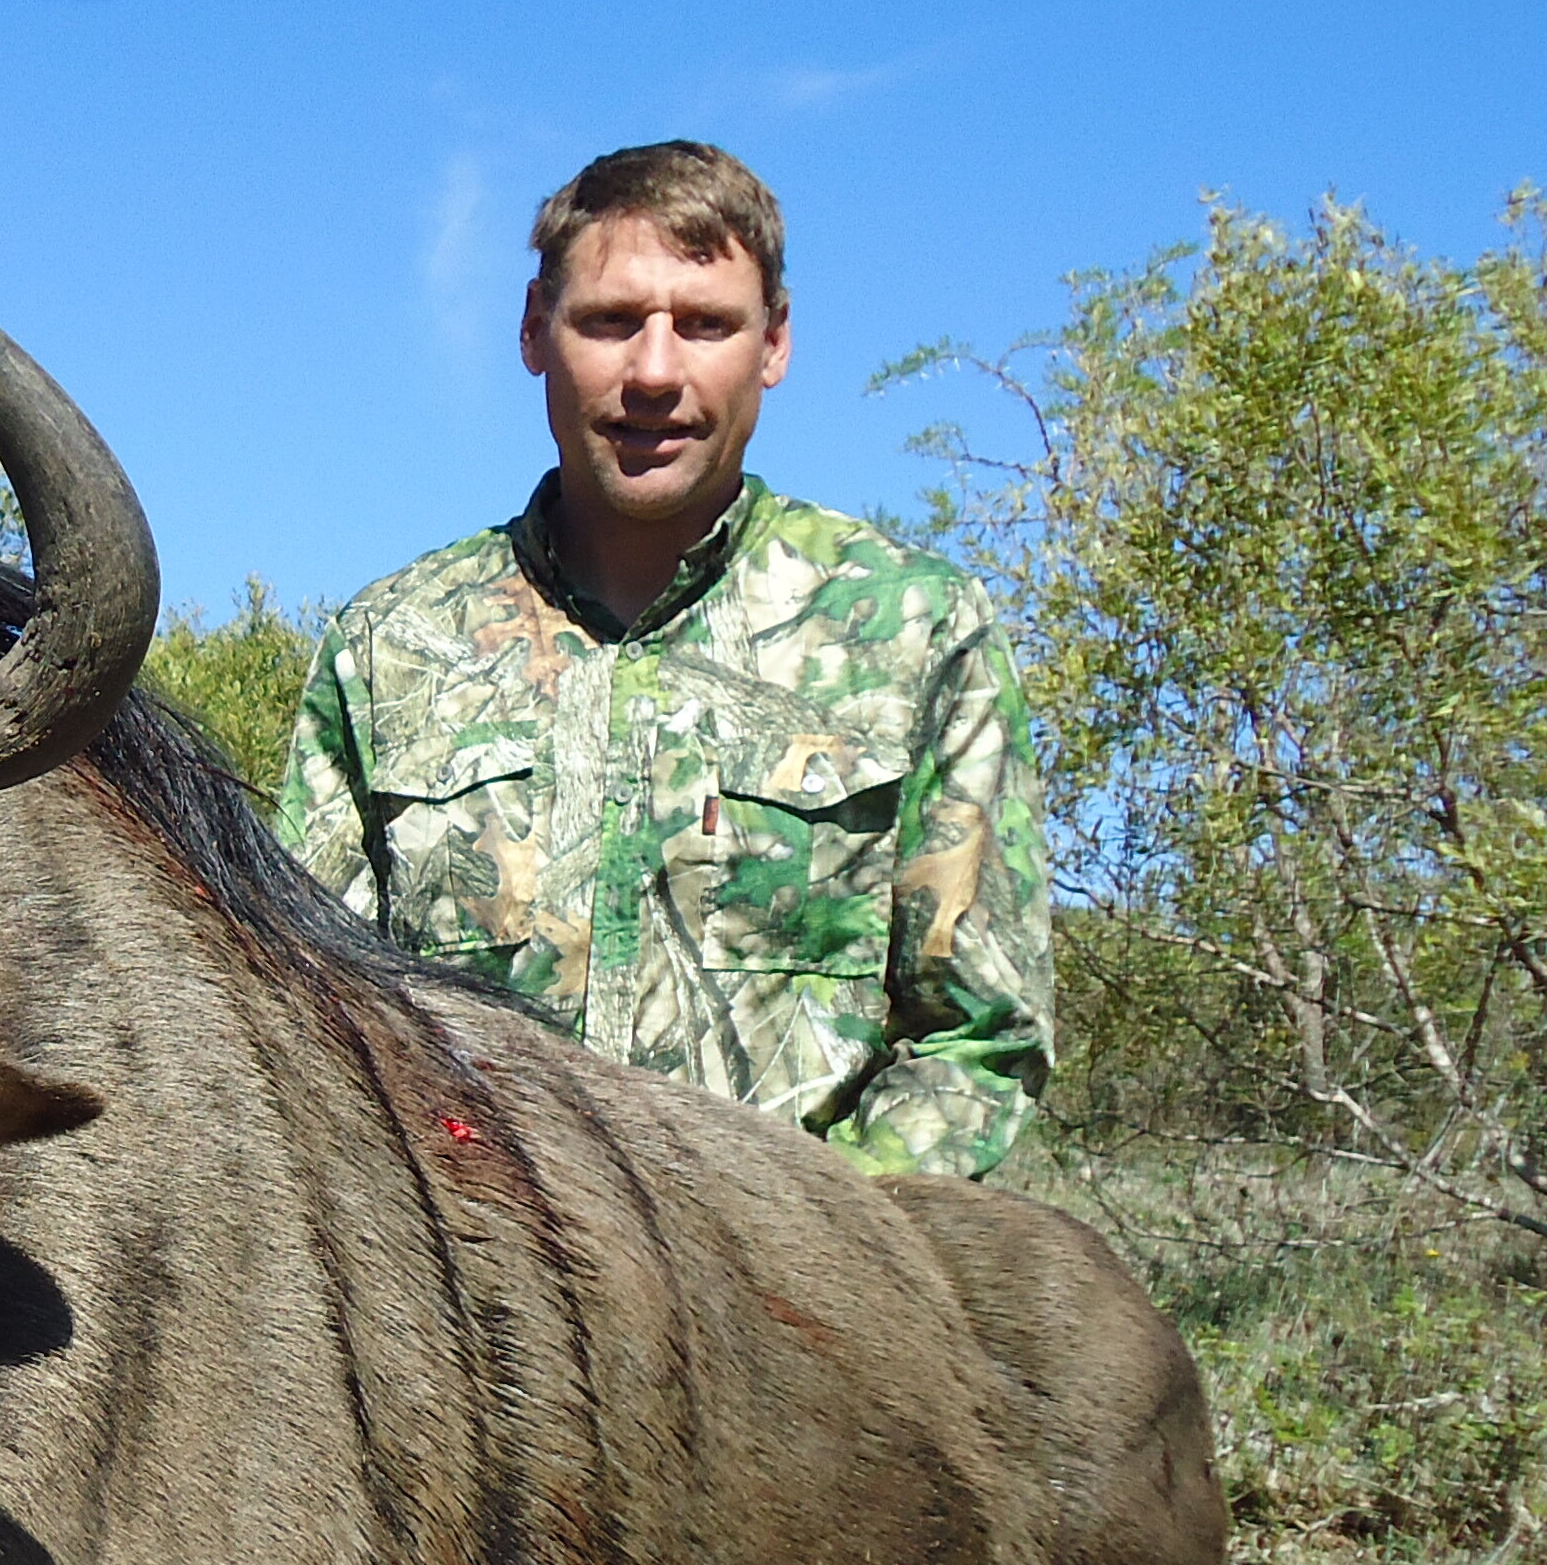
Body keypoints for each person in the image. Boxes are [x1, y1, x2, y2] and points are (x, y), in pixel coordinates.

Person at [277, 141, 1053, 1175]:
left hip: (805, 1305)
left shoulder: (916, 626)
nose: (653, 371)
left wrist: (798, 1260)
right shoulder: (386, 644)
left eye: (704, 325)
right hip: (470, 1302)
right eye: (609, 321)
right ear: (533, 332)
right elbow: (310, 1027)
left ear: (773, 343)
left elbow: (977, 1042)